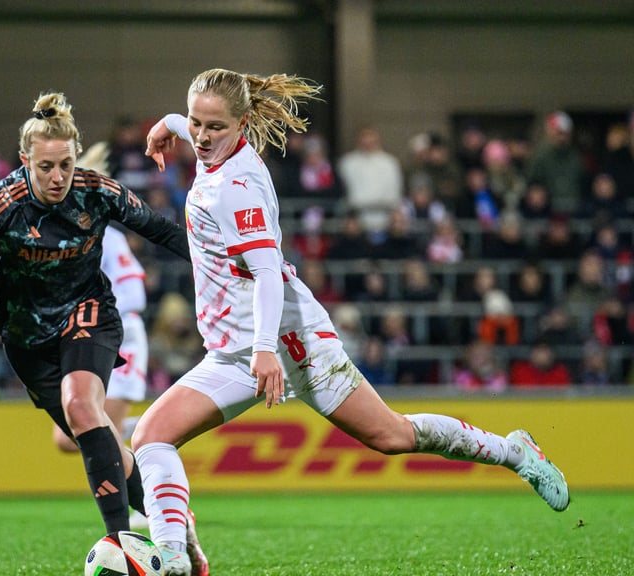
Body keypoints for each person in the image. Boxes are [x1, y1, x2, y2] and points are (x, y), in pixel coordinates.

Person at [135, 68, 570, 576]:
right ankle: (176, 555)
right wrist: (168, 124)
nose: (202, 137)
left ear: (243, 125)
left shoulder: (236, 188)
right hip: (236, 352)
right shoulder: (216, 148)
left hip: (289, 342)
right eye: (195, 123)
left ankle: (513, 451)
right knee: (150, 437)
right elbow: (195, 128)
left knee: (392, 436)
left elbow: (269, 271)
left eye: (214, 127)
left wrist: (266, 349)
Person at [0, 92, 189, 537]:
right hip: (26, 338)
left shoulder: (97, 191)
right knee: (93, 435)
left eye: (66, 164)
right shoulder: (4, 202)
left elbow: (164, 232)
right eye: (46, 166)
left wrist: (222, 265)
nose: (58, 176)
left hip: (88, 313)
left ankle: (119, 541)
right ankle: (176, 527)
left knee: (82, 407)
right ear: (25, 161)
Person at [50, 225, 151, 529]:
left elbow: (134, 292)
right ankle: (151, 427)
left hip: (118, 334)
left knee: (99, 434)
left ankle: (146, 502)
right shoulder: (55, 233)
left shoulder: (107, 236)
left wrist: (95, 317)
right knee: (66, 439)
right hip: (83, 336)